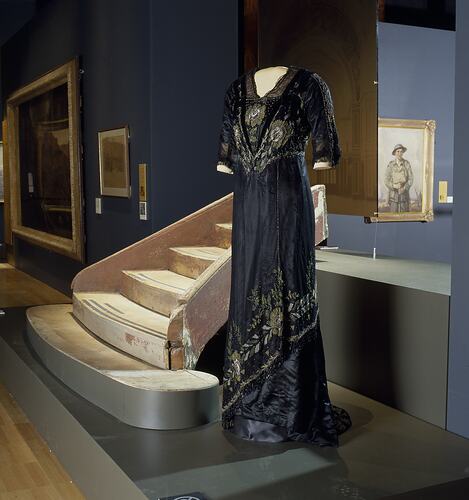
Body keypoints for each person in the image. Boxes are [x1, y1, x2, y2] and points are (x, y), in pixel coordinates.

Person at [216, 65, 352, 447]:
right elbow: (227, 156)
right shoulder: (235, 92)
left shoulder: (309, 85)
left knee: (289, 288)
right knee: (247, 291)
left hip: (288, 206)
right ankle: (249, 406)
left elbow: (326, 151)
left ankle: (291, 410)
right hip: (248, 208)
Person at [384, 144, 414, 212]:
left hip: (404, 195)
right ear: (394, 153)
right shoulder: (391, 164)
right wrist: (394, 186)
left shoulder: (406, 163)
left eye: (401, 151)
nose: (399, 153)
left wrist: (404, 188)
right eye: (398, 151)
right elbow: (386, 180)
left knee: (404, 214)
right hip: (393, 195)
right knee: (393, 214)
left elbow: (411, 178)